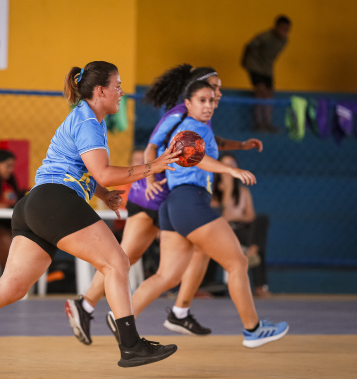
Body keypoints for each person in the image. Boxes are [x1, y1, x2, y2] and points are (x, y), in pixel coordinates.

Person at [0, 61, 181, 376]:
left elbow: (82, 170)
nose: (121, 92)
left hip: (35, 203)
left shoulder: (89, 120)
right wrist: (156, 165)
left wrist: (101, 194)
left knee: (11, 287)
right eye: (117, 85)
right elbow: (103, 172)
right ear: (100, 91)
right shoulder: (87, 120)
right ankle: (130, 344)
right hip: (55, 201)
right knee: (117, 263)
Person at [65, 65, 264, 344]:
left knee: (197, 250)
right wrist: (155, 173)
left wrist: (240, 146)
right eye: (214, 87)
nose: (218, 92)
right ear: (196, 88)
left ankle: (180, 311)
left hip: (166, 196)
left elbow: (208, 145)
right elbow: (152, 145)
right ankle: (86, 305)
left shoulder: (198, 118)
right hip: (152, 193)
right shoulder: (179, 113)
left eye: (218, 89)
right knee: (126, 257)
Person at [108, 80, 288, 349]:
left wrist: (239, 146)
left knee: (167, 275)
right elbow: (193, 156)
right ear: (188, 103)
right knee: (237, 262)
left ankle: (121, 317)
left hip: (174, 205)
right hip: (189, 200)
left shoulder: (200, 129)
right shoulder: (190, 127)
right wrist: (229, 170)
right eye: (202, 100)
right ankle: (253, 330)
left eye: (212, 101)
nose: (208, 105)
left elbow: (204, 148)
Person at [212, 154, 271, 298]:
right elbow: (221, 217)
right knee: (256, 242)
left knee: (261, 220)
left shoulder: (243, 191)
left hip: (241, 229)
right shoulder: (212, 192)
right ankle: (253, 249)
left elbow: (250, 216)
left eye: (232, 165)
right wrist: (227, 189)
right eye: (226, 165)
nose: (229, 168)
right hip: (222, 232)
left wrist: (237, 217)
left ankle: (253, 251)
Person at [241, 15, 292, 132]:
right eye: (282, 29)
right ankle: (259, 123)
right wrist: (246, 62)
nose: (284, 32)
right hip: (255, 66)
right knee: (260, 92)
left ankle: (268, 122)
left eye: (287, 30)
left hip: (267, 69)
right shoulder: (264, 37)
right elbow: (249, 46)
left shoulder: (284, 41)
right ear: (276, 27)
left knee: (269, 95)